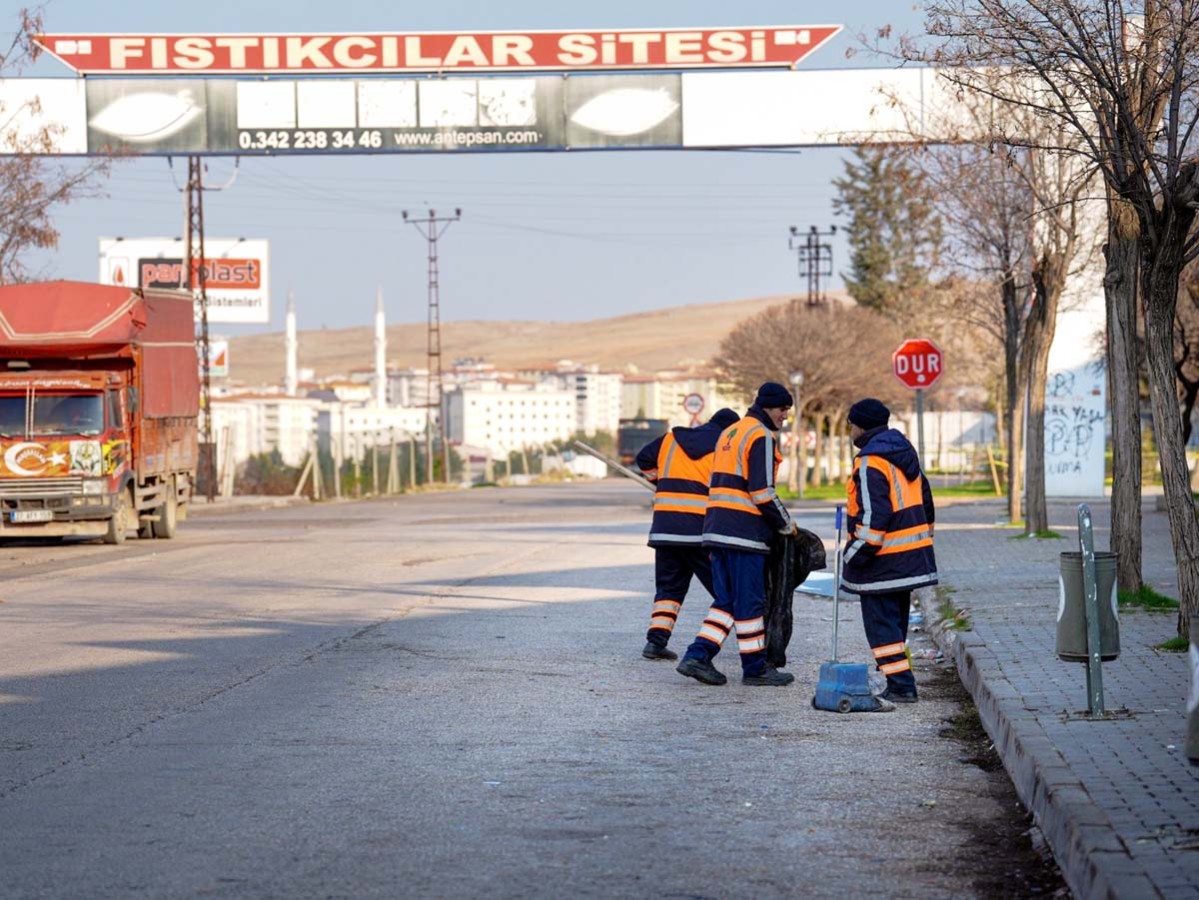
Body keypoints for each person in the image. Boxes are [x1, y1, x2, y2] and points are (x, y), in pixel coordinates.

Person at [676, 382, 798, 687]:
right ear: (769, 407)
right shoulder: (760, 435)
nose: (785, 415)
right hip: (744, 532)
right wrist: (786, 523)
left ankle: (698, 656)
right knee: (751, 602)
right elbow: (761, 491)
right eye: (783, 409)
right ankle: (755, 669)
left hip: (716, 528)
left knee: (728, 600)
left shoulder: (731, 432)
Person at [842, 398, 938, 705]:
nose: (851, 431)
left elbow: (874, 517)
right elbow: (926, 499)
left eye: (852, 425)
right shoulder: (903, 453)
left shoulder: (870, 461)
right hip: (911, 556)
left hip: (883, 559)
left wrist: (854, 554)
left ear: (861, 426)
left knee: (881, 627)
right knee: (895, 623)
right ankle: (899, 681)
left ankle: (901, 685)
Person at [635, 407, 740, 661]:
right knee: (726, 592)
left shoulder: (670, 439)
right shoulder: (725, 445)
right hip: (700, 531)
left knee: (669, 589)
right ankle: (755, 646)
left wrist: (658, 480)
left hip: (666, 528)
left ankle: (655, 642)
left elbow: (643, 459)